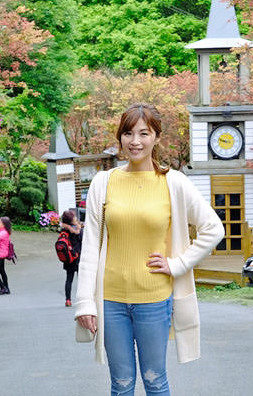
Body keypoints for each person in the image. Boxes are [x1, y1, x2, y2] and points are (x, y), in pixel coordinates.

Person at [74, 104, 224, 396]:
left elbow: (213, 228)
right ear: (120, 138)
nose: (135, 141)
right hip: (110, 300)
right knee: (121, 384)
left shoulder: (174, 183)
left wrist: (178, 264)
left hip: (154, 299)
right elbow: (91, 244)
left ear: (157, 137)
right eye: (128, 133)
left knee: (155, 381)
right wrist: (84, 303)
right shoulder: (103, 183)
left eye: (144, 133)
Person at [60, 209, 83, 307]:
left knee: (69, 279)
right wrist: (80, 227)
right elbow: (82, 241)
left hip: (69, 258)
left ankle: (68, 300)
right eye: (74, 217)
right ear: (71, 220)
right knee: (81, 280)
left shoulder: (64, 230)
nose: (76, 218)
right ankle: (81, 300)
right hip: (78, 257)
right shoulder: (78, 230)